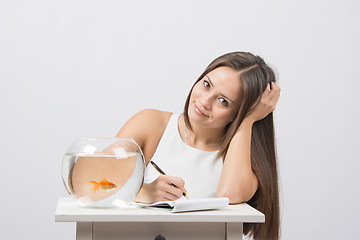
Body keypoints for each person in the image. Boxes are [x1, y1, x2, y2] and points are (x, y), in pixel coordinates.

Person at [116, 51, 281, 240]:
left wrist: (247, 121)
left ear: (239, 113)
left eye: (224, 101)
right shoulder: (151, 124)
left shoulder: (241, 159)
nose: (205, 101)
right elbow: (89, 180)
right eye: (206, 84)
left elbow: (230, 193)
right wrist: (142, 193)